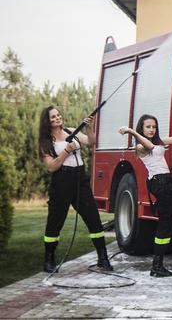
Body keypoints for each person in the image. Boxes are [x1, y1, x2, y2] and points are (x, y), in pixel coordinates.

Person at [118, 115, 172, 277]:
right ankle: (157, 266)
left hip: (167, 181)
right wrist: (131, 131)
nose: (151, 129)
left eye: (154, 126)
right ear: (141, 128)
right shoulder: (140, 146)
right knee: (165, 226)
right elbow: (150, 146)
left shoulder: (158, 141)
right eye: (148, 127)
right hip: (160, 183)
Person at [38, 106, 113, 273]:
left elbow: (91, 142)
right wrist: (66, 150)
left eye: (58, 115)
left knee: (93, 218)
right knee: (55, 221)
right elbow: (51, 167)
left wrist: (89, 127)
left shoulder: (71, 130)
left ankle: (103, 258)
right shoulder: (46, 142)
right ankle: (49, 260)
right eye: (53, 117)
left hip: (80, 179)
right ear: (47, 121)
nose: (57, 118)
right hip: (62, 181)